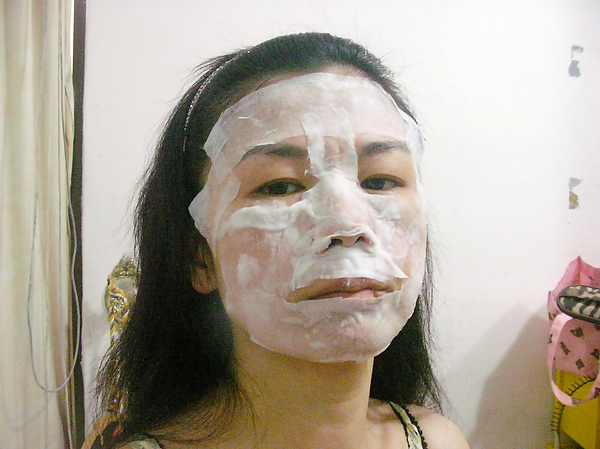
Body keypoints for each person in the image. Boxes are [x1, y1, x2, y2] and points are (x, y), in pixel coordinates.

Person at [88, 32, 470, 449]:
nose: (347, 225)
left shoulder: (439, 441)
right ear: (200, 258)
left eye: (379, 181)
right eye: (279, 187)